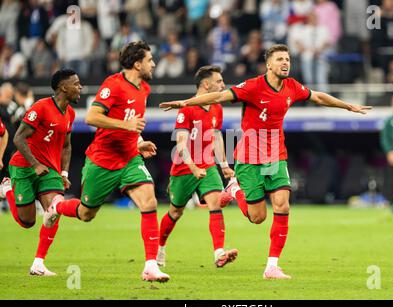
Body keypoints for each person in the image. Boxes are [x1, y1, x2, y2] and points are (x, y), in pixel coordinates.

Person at [160, 44, 371, 279]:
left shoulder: (292, 86)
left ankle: (272, 266)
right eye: (280, 59)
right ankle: (235, 188)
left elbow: (318, 97)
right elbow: (220, 95)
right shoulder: (253, 86)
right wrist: (186, 103)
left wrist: (347, 106)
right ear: (269, 64)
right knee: (257, 218)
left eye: (288, 59)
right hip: (249, 158)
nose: (285, 63)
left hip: (275, 155)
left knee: (282, 205)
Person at [44, 41, 170, 283]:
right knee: (86, 213)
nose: (153, 63)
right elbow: (92, 116)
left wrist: (139, 141)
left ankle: (151, 266)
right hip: (102, 159)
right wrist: (126, 126)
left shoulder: (144, 89)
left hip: (130, 158)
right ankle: (57, 207)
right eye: (150, 59)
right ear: (137, 63)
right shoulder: (113, 85)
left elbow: (134, 124)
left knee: (149, 201)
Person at [0, 69, 81, 276]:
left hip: (49, 171)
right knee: (27, 222)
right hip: (24, 167)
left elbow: (67, 146)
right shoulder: (41, 107)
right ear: (63, 87)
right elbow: (18, 137)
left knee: (54, 210)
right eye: (76, 84)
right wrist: (35, 164)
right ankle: (7, 188)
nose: (80, 87)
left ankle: (38, 264)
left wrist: (64, 173)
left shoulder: (70, 113)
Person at [157, 65, 238, 269]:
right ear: (206, 84)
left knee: (215, 203)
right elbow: (181, 144)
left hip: (208, 165)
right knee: (176, 212)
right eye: (219, 81)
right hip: (184, 168)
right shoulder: (187, 109)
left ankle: (219, 253)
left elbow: (216, 136)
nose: (223, 84)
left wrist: (224, 165)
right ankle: (159, 247)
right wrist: (193, 167)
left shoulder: (217, 108)